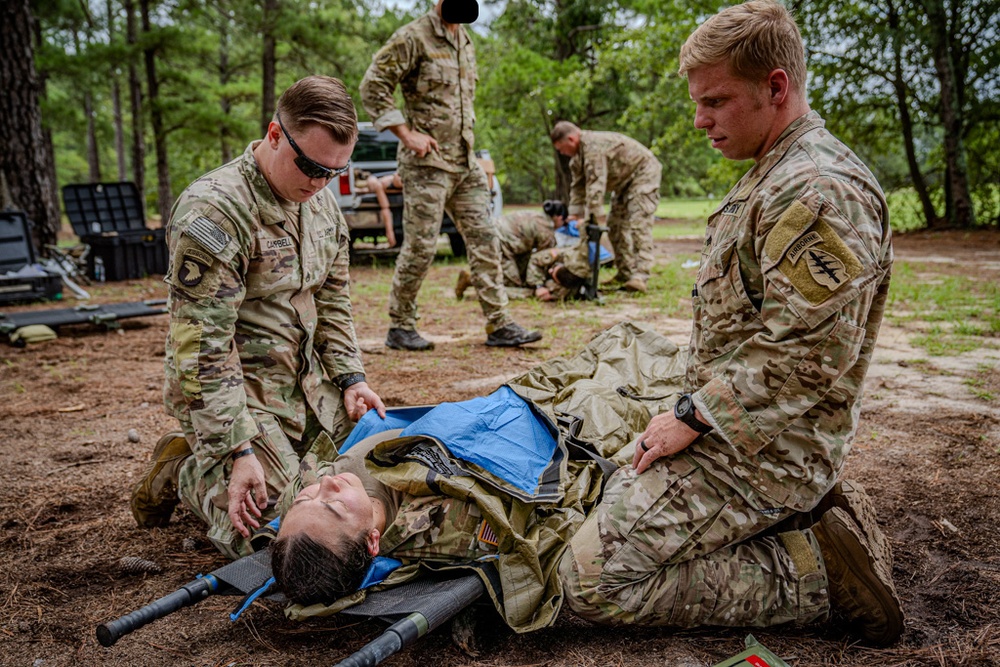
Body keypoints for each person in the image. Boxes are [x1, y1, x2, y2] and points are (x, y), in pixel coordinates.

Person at [557, 0, 902, 648]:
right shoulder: (775, 173)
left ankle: (815, 577)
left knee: (593, 577)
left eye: (715, 101)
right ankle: (786, 530)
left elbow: (804, 359)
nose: (699, 120)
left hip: (772, 451)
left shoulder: (818, 189)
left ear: (775, 87)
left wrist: (690, 418)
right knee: (590, 474)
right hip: (736, 424)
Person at [130, 75, 386, 560]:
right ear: (274, 134)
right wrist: (237, 448)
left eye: (335, 170)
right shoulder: (217, 211)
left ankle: (226, 461)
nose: (319, 181)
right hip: (237, 392)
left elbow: (333, 300)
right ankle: (190, 469)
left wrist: (351, 377)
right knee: (281, 534)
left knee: (371, 478)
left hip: (305, 382)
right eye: (310, 165)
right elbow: (201, 347)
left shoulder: (321, 201)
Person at [360, 0, 542, 351]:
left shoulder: (465, 40)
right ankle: (400, 325)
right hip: (426, 163)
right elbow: (373, 86)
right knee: (421, 247)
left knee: (487, 239)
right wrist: (406, 135)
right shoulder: (412, 37)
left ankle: (499, 323)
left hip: (464, 162)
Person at [550, 121, 662, 294]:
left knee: (639, 223)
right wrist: (574, 215)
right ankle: (625, 273)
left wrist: (590, 218)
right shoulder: (577, 160)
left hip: (642, 173)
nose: (561, 153)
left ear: (571, 139)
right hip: (623, 183)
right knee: (615, 226)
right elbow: (578, 188)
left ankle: (640, 276)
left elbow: (596, 185)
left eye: (561, 148)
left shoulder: (593, 147)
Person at [454, 200, 563, 299]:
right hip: (502, 244)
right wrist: (539, 285)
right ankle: (471, 280)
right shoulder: (546, 229)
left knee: (517, 277)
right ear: (559, 218)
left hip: (499, 239)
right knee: (512, 284)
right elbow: (541, 259)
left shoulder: (536, 215)